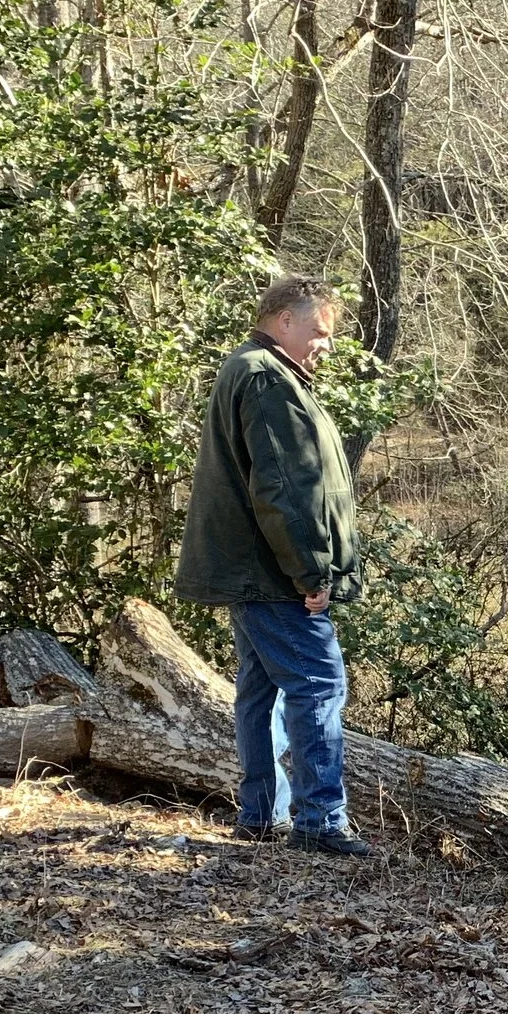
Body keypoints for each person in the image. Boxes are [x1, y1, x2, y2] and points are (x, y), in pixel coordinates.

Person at [175, 274, 372, 857]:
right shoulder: (266, 378)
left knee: (259, 692)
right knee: (319, 684)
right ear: (284, 319)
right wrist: (311, 573)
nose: (326, 345)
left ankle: (260, 815)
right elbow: (285, 488)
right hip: (273, 575)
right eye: (319, 331)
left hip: (257, 571)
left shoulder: (264, 372)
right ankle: (318, 821)